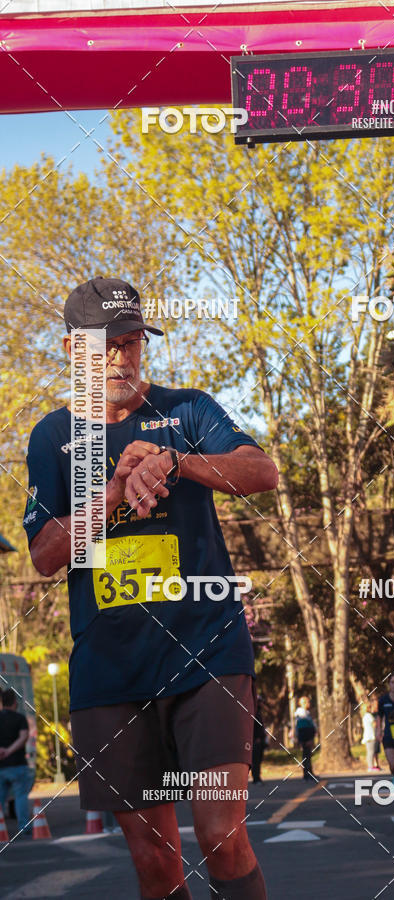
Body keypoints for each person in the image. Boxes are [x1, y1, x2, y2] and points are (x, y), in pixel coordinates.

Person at [24, 277, 279, 900]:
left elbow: (262, 470)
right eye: (105, 345)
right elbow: (45, 554)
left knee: (221, 834)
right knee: (155, 860)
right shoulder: (51, 438)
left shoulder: (188, 410)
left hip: (207, 657)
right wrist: (112, 495)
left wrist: (175, 460)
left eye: (132, 341)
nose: (121, 358)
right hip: (110, 673)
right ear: (70, 349)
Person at [0, 689, 34, 837]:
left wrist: (3, 751)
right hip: (18, 764)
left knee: (0, 798)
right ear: (15, 702)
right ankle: (24, 827)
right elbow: (24, 737)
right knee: (20, 796)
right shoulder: (20, 718)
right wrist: (10, 750)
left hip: (1, 765)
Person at [294, 696, 317, 781]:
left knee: (308, 755)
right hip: (306, 736)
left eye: (308, 702)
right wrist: (307, 739)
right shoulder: (301, 714)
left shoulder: (306, 713)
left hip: (307, 735)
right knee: (306, 755)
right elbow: (303, 728)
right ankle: (306, 774)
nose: (308, 704)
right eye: (306, 702)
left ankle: (309, 772)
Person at [361, 700, 381, 772]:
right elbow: (374, 724)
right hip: (370, 736)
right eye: (369, 707)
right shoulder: (369, 715)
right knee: (371, 752)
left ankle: (371, 766)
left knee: (370, 752)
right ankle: (370, 766)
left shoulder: (364, 716)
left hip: (367, 736)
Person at [251, 695, 267, 784]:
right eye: (259, 701)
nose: (261, 703)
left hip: (260, 740)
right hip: (255, 740)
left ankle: (258, 777)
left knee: (259, 759)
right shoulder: (253, 712)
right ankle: (255, 778)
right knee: (255, 760)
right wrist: (255, 738)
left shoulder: (259, 713)